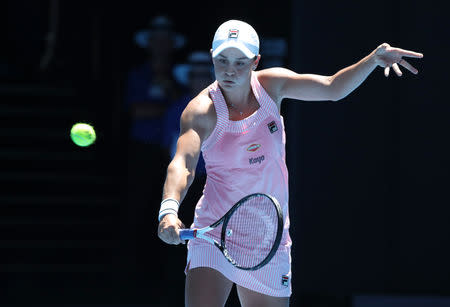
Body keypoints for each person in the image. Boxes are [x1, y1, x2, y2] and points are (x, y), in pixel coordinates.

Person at [157, 19, 423, 306]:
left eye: (240, 62)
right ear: (212, 56)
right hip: (213, 232)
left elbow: (332, 87)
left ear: (255, 61)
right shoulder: (200, 111)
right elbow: (183, 164)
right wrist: (168, 210)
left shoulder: (273, 86)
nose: (229, 70)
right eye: (222, 60)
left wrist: (371, 61)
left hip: (269, 240)